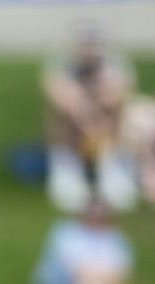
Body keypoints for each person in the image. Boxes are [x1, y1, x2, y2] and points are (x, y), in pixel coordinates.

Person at [41, 24, 139, 212]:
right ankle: (69, 168)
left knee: (120, 110)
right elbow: (58, 93)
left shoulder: (113, 64)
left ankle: (110, 166)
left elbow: (120, 91)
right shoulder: (62, 64)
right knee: (67, 110)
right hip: (71, 136)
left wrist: (96, 109)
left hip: (106, 135)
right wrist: (86, 113)